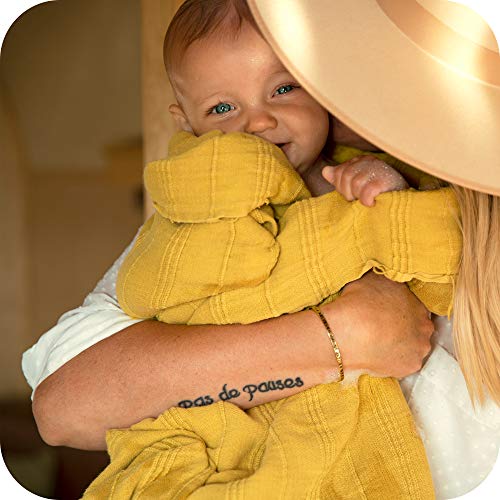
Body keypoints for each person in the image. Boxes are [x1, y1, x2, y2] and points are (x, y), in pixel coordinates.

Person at [23, 0, 499, 498]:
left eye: (283, 88)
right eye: (222, 108)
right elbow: (64, 407)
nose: (259, 122)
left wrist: (389, 191)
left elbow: (420, 238)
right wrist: (340, 338)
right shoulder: (198, 208)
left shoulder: (380, 181)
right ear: (186, 123)